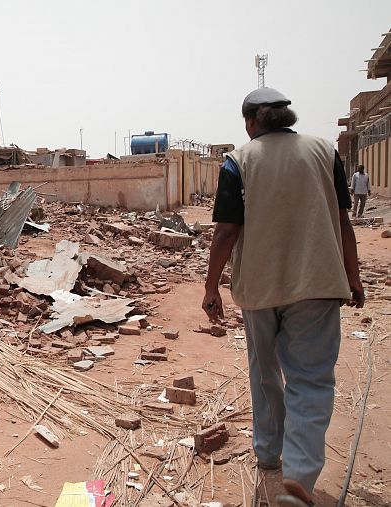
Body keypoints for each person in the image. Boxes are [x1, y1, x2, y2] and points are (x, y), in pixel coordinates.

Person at [201, 87, 364, 507]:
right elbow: (342, 221)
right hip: (317, 282)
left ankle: (269, 453)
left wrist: (211, 286)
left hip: (260, 286)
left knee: (265, 371)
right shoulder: (324, 152)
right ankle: (300, 475)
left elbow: (226, 231)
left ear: (251, 123)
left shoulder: (238, 161)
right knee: (311, 380)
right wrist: (353, 276)